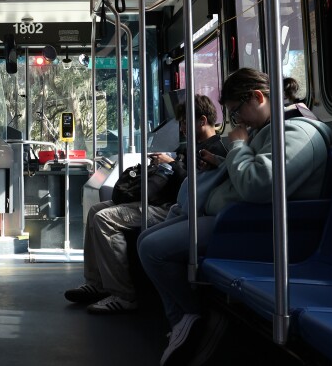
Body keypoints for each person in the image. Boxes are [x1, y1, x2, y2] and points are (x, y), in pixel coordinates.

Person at [137, 68, 332, 364]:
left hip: (255, 227)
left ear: (257, 98)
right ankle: (181, 321)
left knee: (153, 249)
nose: (237, 121)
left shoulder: (298, 133)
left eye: (236, 112)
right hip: (234, 218)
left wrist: (238, 146)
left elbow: (258, 184)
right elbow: (252, 170)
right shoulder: (270, 131)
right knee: (146, 239)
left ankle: (190, 317)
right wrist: (222, 159)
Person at [64, 95, 228, 314]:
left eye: (185, 122)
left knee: (105, 219)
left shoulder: (215, 150)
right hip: (161, 201)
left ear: (202, 120)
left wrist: (172, 165)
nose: (182, 128)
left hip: (172, 208)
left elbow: (195, 189)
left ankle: (124, 295)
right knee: (96, 209)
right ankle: (96, 282)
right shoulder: (188, 148)